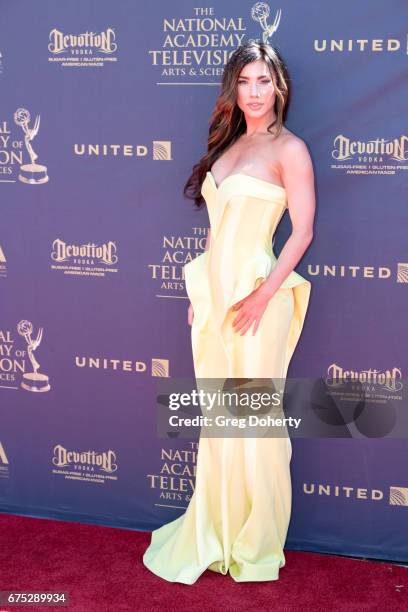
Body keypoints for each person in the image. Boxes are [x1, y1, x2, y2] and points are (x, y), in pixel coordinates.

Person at [143, 40, 315, 584]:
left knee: (256, 423)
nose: (255, 92)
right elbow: (217, 233)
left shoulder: (290, 149)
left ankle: (256, 542)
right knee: (220, 424)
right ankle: (216, 529)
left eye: (264, 81)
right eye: (245, 82)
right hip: (217, 302)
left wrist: (263, 296)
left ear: (280, 86)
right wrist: (202, 295)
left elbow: (303, 232)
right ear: (233, 89)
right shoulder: (226, 147)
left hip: (260, 300)